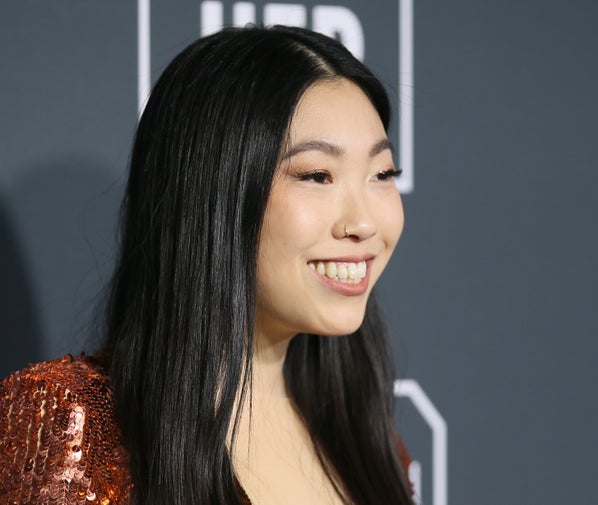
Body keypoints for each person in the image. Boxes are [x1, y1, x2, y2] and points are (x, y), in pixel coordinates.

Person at [0, 25, 414, 505]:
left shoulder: (370, 442)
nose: (364, 221)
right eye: (317, 175)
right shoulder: (70, 426)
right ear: (210, 194)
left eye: (382, 174)